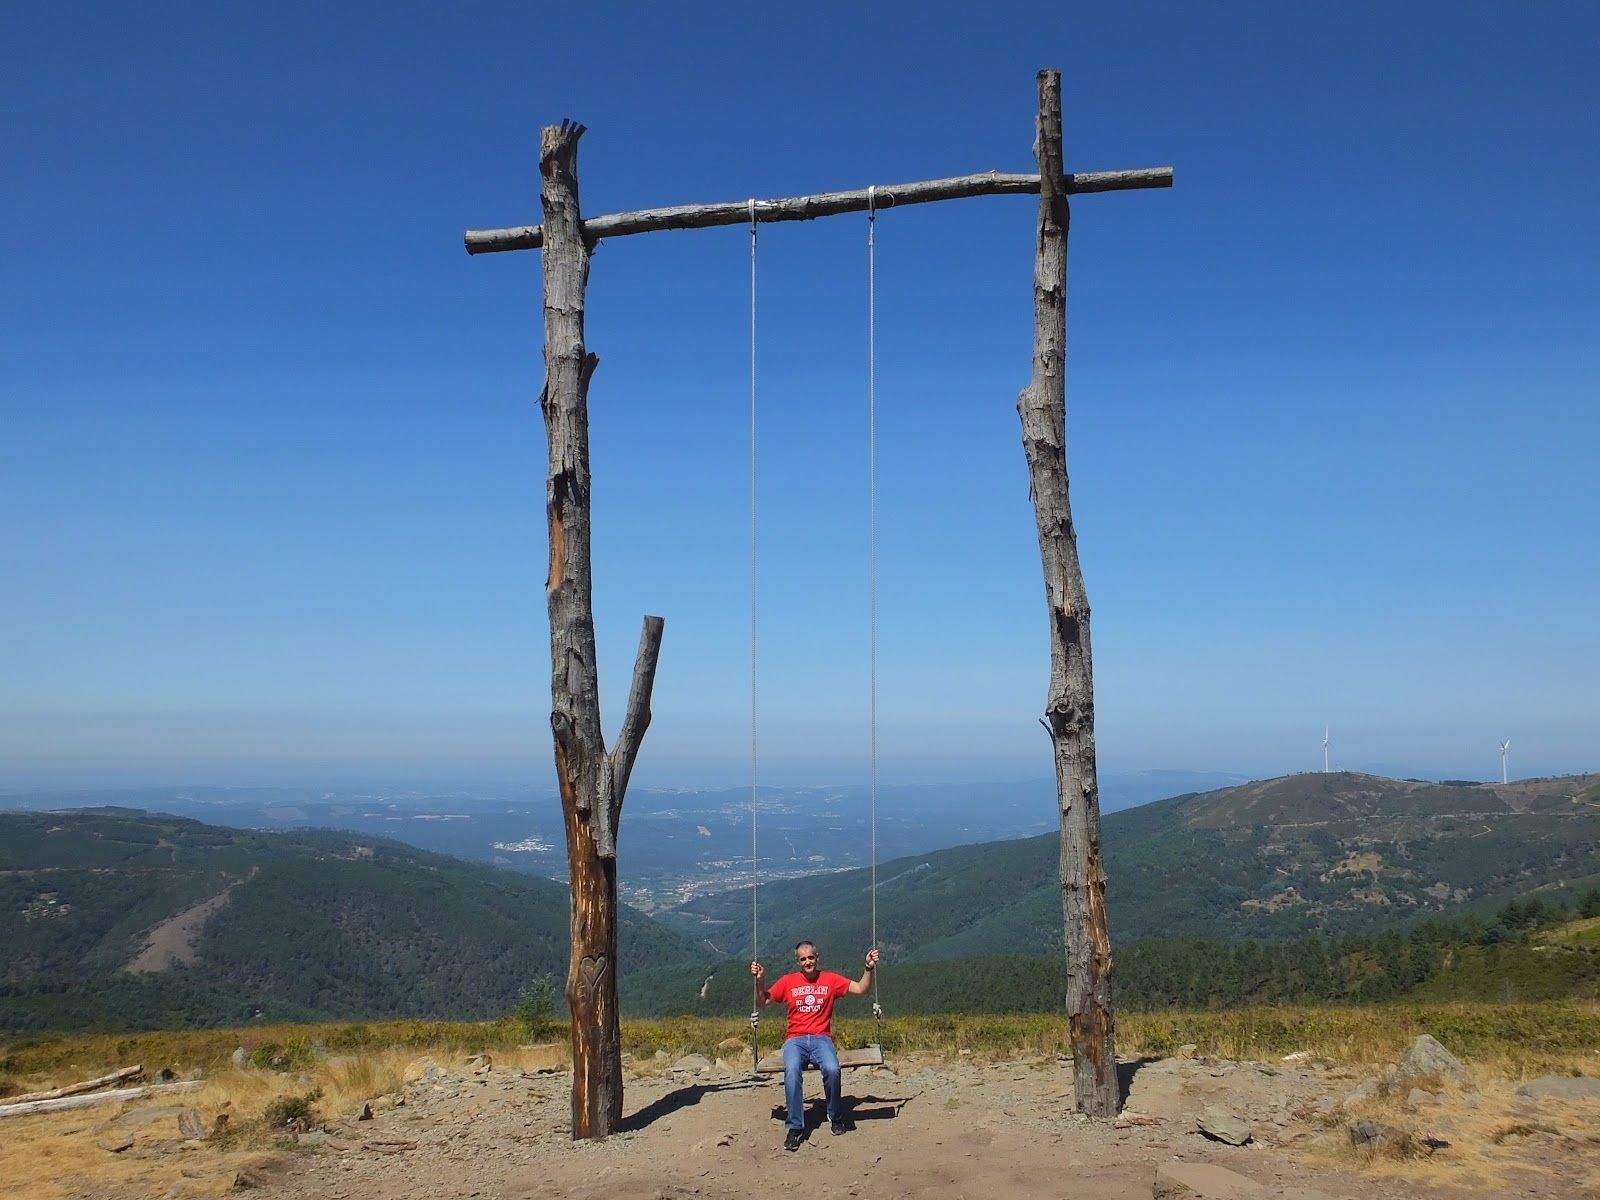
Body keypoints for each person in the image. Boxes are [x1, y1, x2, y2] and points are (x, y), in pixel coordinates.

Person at [751, 940, 881, 1151]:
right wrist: (760, 981)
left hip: (822, 1038)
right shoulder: (788, 982)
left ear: (817, 958)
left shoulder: (830, 980)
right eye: (803, 959)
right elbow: (762, 1002)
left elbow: (861, 989)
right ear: (798, 962)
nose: (808, 962)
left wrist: (868, 968)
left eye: (811, 957)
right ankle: (795, 1126)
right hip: (796, 1039)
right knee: (792, 1071)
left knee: (832, 1069)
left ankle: (835, 1115)